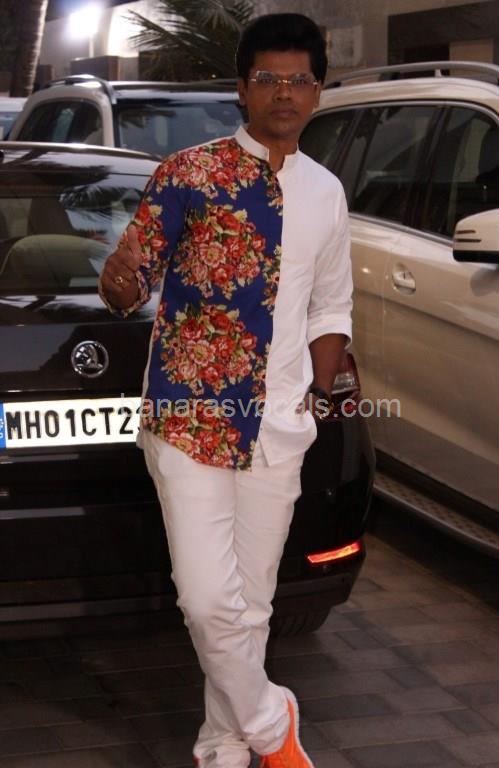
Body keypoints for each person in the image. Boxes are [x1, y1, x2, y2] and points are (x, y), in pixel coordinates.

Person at [99, 12, 353, 768]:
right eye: (268, 78)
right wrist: (118, 282)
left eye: (299, 80)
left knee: (253, 604)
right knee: (207, 600)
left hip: (279, 425)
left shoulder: (326, 192)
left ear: (317, 91)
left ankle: (223, 745)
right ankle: (274, 726)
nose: (284, 93)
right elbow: (131, 281)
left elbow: (330, 305)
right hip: (188, 417)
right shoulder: (186, 174)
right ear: (242, 89)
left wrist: (320, 389)